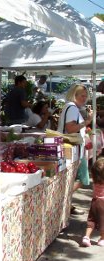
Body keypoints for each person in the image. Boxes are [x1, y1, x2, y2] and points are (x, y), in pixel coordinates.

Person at [58, 84, 93, 215]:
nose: (84, 98)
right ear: (74, 95)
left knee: (73, 178)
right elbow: (70, 128)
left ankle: (67, 202)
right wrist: (87, 122)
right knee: (82, 178)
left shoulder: (70, 107)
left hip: (72, 147)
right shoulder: (72, 108)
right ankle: (63, 198)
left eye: (85, 96)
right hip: (71, 148)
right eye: (82, 95)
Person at [81, 157, 104, 247]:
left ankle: (86, 237)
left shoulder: (95, 181)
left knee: (91, 221)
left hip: (94, 202)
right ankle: (102, 239)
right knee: (103, 222)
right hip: (103, 203)